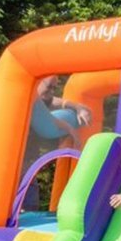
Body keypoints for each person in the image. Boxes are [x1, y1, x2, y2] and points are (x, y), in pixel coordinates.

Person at [22, 75, 91, 212]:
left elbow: (57, 102)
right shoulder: (27, 95)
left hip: (29, 158)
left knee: (29, 187)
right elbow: (53, 121)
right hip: (16, 157)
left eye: (54, 88)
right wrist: (71, 131)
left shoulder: (44, 100)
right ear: (38, 82)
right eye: (49, 86)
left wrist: (78, 108)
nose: (51, 91)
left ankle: (26, 216)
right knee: (23, 186)